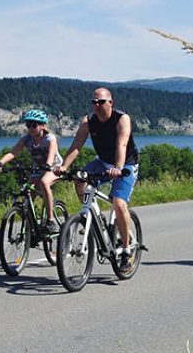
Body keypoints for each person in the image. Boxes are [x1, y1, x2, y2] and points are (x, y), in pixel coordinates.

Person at [57, 87, 139, 269]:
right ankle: (91, 217)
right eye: (93, 102)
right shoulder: (88, 122)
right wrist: (64, 166)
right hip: (102, 162)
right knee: (79, 180)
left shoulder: (121, 119)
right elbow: (76, 146)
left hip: (125, 164)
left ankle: (126, 250)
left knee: (118, 204)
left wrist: (118, 168)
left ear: (110, 102)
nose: (97, 105)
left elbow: (122, 144)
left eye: (101, 102)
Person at [0, 109, 63, 229]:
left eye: (34, 125)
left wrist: (48, 165)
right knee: (28, 192)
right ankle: (31, 224)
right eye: (28, 125)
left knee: (44, 183)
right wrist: (0, 163)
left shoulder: (50, 138)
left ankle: (51, 220)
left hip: (54, 167)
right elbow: (13, 153)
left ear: (42, 126)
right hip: (38, 168)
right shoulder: (26, 139)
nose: (31, 128)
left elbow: (52, 154)